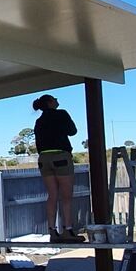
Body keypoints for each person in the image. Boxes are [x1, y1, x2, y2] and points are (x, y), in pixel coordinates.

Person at [32, 93, 84, 244]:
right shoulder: (61, 114)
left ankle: (52, 232)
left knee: (52, 195)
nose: (57, 100)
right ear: (49, 102)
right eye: (55, 99)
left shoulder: (39, 121)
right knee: (66, 196)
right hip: (60, 156)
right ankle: (67, 230)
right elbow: (73, 131)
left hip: (44, 159)